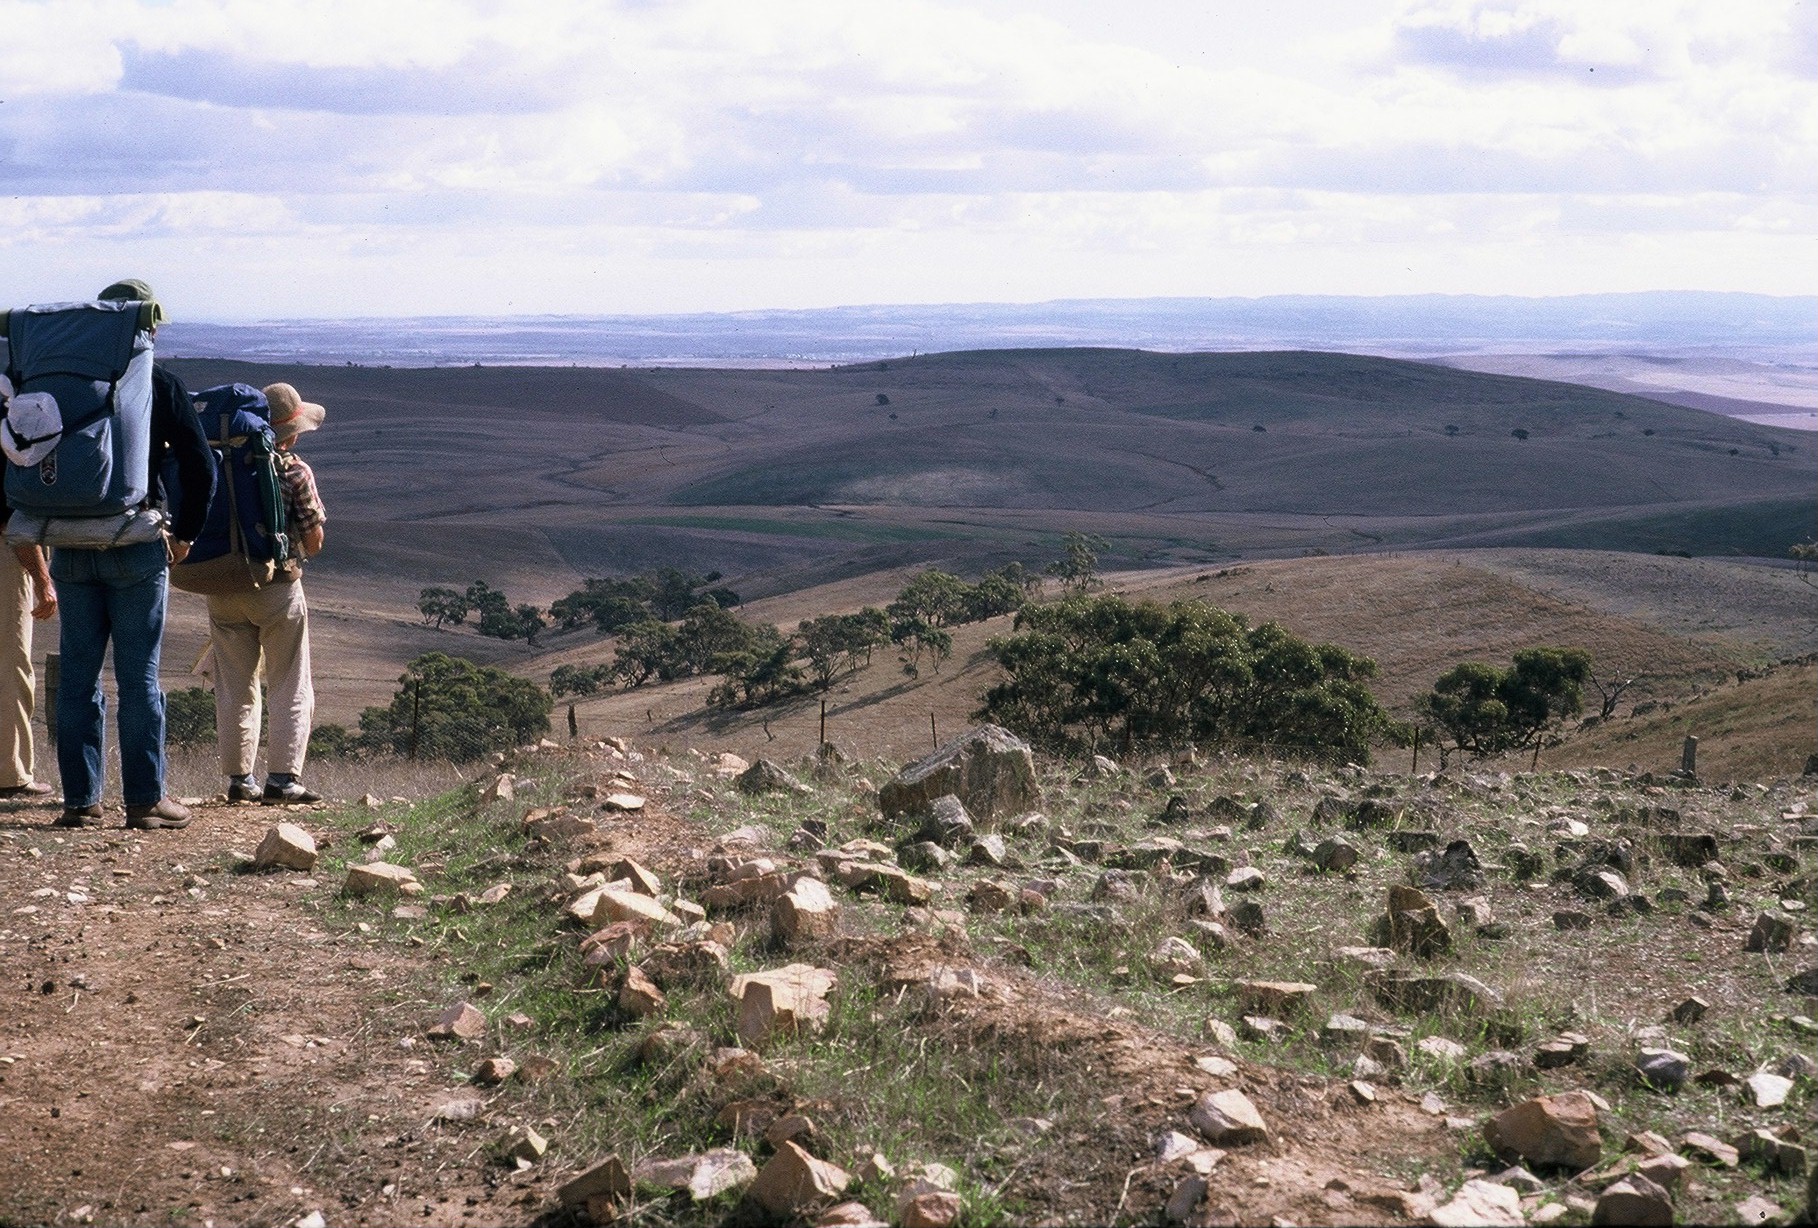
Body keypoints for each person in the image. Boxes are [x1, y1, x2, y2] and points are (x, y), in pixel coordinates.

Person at [48, 280, 215, 829]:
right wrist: (186, 532)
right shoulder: (158, 384)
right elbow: (199, 466)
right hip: (136, 542)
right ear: (146, 326)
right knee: (139, 676)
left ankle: (81, 801)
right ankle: (145, 801)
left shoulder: (63, 385)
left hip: (70, 546)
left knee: (77, 677)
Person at [209, 382, 327, 804]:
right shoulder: (295, 469)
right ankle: (282, 779)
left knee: (234, 686)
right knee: (289, 682)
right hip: (277, 589)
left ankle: (240, 780)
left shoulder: (217, 463)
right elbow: (313, 541)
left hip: (220, 585)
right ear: (291, 431)